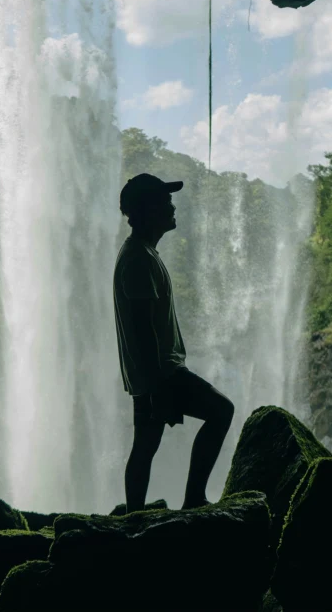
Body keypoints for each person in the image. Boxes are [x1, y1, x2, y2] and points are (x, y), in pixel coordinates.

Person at [113, 173, 235, 512]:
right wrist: (159, 388)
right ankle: (193, 497)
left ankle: (134, 513)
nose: (172, 206)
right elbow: (142, 327)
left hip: (151, 373)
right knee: (221, 411)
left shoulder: (143, 253)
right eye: (165, 201)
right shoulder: (138, 259)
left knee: (146, 443)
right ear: (149, 209)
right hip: (161, 372)